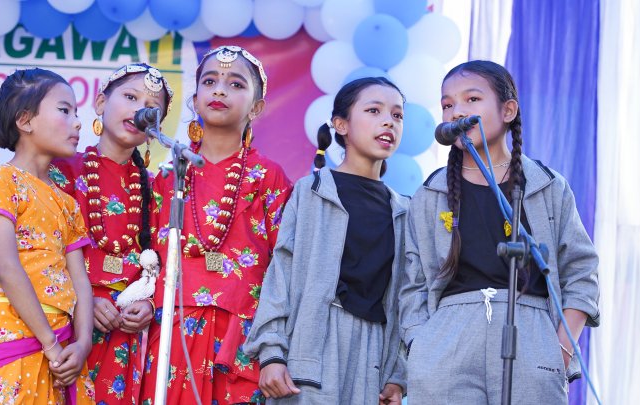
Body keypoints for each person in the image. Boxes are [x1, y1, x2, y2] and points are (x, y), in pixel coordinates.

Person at [399, 60, 600, 404]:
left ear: (508, 110)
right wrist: (422, 345)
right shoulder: (430, 194)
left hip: (532, 337)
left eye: (472, 99)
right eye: (447, 104)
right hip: (447, 342)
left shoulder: (548, 186)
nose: (457, 111)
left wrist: (560, 351)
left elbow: (581, 273)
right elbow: (411, 284)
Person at [140, 46, 293, 404]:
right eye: (209, 82)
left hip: (240, 337)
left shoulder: (268, 177)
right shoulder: (169, 175)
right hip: (172, 331)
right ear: (195, 99)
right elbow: (149, 258)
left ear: (256, 107)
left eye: (235, 84)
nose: (220, 90)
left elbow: (285, 267)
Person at [243, 77, 408, 405]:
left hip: (372, 361)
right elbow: (281, 273)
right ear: (341, 124)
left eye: (397, 115)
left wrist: (397, 375)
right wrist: (272, 353)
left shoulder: (403, 210)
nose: (388, 121)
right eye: (374, 110)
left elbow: (407, 298)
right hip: (310, 352)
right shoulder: (312, 191)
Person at [0, 68, 95, 404]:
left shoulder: (67, 203)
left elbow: (80, 280)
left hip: (61, 348)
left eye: (76, 113)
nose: (78, 123)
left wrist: (82, 344)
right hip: (12, 333)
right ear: (25, 121)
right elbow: (7, 268)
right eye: (65, 110)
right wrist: (50, 343)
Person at [49, 63, 173, 404]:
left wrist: (148, 304)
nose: (139, 110)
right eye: (130, 97)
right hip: (66, 327)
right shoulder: (62, 171)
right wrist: (83, 301)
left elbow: (163, 264)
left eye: (151, 107)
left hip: (124, 334)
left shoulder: (157, 188)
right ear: (101, 103)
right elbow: (42, 254)